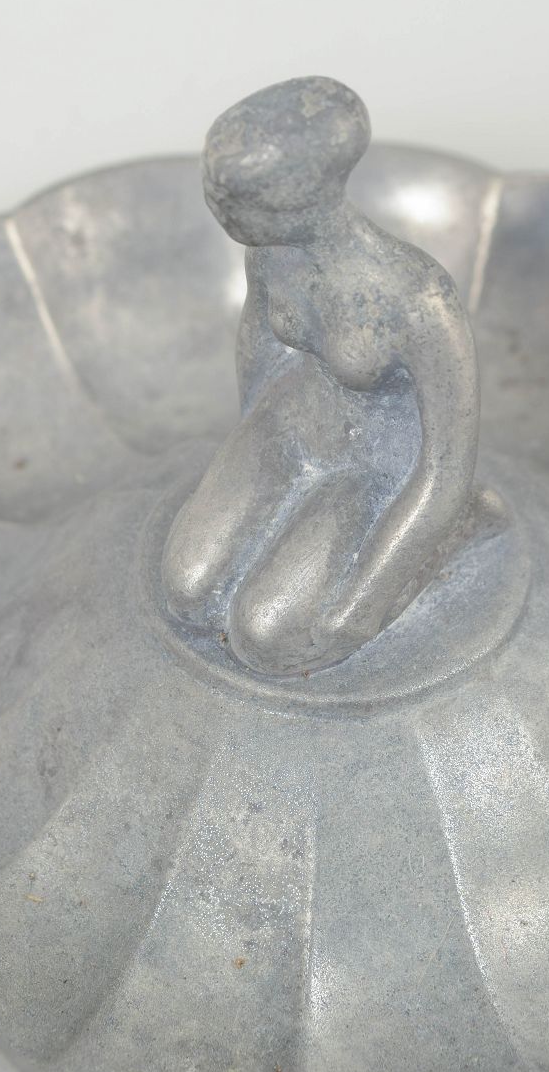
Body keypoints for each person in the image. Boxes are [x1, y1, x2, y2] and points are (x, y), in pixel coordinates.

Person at [161, 76, 479, 674]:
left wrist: (360, 604)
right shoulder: (270, 255)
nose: (220, 209)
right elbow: (257, 355)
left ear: (301, 198)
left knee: (269, 635)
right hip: (286, 429)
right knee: (189, 591)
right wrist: (254, 465)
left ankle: (463, 532)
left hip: (369, 469)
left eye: (238, 200)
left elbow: (446, 468)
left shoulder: (417, 298)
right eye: (217, 191)